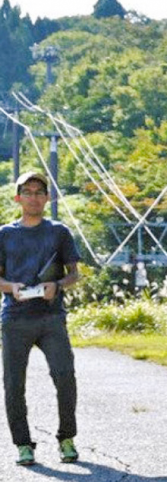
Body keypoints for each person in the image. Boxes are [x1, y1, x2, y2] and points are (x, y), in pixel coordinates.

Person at [0, 171, 81, 466]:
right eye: (28, 192)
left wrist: (57, 286)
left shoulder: (59, 232)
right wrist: (11, 288)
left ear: (48, 198)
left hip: (51, 317)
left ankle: (66, 438)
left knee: (65, 377)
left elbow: (74, 275)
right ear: (18, 198)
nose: (34, 197)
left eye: (39, 192)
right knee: (13, 384)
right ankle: (23, 444)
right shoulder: (5, 234)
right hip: (15, 318)